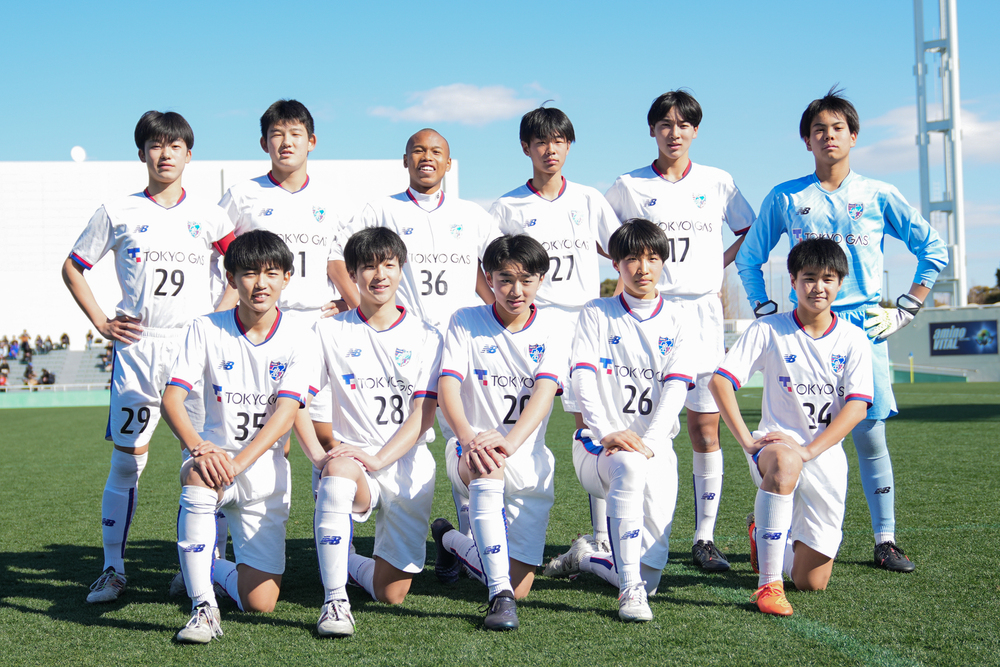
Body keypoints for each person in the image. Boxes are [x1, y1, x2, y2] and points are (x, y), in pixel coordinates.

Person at [735, 88, 948, 572]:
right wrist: (765, 308)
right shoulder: (787, 196)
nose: (828, 136)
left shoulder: (879, 194)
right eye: (818, 130)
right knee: (794, 437)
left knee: (870, 435)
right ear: (806, 140)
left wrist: (907, 307)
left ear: (853, 136)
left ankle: (885, 540)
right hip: (801, 330)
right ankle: (775, 529)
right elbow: (750, 258)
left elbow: (933, 249)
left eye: (837, 128)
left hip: (862, 330)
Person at [61, 110, 235, 603]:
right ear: (142, 153)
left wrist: (218, 317)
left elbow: (241, 265)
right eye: (156, 146)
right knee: (126, 462)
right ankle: (113, 569)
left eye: (175, 146)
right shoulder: (117, 211)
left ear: (188, 154)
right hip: (138, 349)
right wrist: (102, 321)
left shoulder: (211, 216)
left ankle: (201, 567)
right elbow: (73, 267)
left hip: (194, 348)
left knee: (205, 458)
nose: (165, 154)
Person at [604, 90, 756, 572]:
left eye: (684, 124)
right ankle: (624, 531)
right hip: (652, 314)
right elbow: (606, 239)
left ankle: (704, 537)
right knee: (642, 424)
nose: (675, 133)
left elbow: (748, 230)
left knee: (704, 427)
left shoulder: (717, 181)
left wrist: (717, 265)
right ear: (652, 130)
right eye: (665, 124)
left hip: (704, 314)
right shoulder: (629, 185)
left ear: (695, 130)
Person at [163, 229, 314, 644]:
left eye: (271, 273)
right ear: (231, 279)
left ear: (287, 277)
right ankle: (203, 607)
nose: (260, 283)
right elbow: (172, 399)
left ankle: (205, 565)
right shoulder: (205, 327)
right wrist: (198, 447)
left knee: (260, 602)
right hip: (215, 459)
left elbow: (286, 412)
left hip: (263, 469)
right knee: (198, 475)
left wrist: (238, 463)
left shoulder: (302, 333)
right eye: (248, 273)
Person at [710, 238, 873, 615]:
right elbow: (721, 381)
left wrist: (810, 450)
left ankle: (763, 536)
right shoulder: (768, 329)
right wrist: (748, 442)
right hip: (776, 449)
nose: (818, 287)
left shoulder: (853, 339)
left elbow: (857, 407)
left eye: (828, 279)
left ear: (840, 283)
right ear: (793, 281)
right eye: (809, 278)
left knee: (811, 582)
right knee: (785, 463)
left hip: (823, 456)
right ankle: (768, 585)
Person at [293, 227, 442, 637]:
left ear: (401, 268)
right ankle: (335, 600)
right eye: (368, 266)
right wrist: (318, 458)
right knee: (338, 472)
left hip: (407, 463)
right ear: (353, 274)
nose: (379, 275)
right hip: (353, 461)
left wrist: (379, 459)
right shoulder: (328, 330)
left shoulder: (428, 335)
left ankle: (345, 558)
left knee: (391, 593)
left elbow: (423, 414)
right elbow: (295, 402)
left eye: (388, 265)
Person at [544, 219, 694, 623]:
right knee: (626, 463)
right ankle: (629, 591)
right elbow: (583, 378)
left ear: (663, 262)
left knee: (652, 577)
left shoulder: (679, 318)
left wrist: (652, 443)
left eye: (652, 258)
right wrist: (607, 430)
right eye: (631, 259)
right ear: (616, 264)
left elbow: (676, 389)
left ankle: (587, 557)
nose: (642, 268)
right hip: (599, 447)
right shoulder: (597, 312)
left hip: (654, 449)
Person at [215, 98, 343, 556]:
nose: (285, 143)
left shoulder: (331, 200)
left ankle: (331, 549)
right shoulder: (242, 196)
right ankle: (220, 550)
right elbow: (222, 260)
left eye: (295, 134)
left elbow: (337, 262)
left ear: (312, 141)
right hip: (256, 328)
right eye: (276, 134)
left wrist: (350, 305)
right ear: (264, 142)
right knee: (255, 437)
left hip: (315, 327)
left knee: (323, 437)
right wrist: (218, 318)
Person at [489, 106, 621, 550]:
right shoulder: (507, 206)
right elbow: (489, 269)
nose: (551, 149)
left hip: (583, 325)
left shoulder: (588, 199)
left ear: (569, 145)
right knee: (523, 424)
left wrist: (614, 303)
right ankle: (495, 532)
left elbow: (621, 252)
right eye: (541, 141)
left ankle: (602, 538)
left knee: (593, 424)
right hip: (530, 327)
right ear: (525, 147)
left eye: (559, 140)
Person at [431, 234, 566, 631]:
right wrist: (467, 438)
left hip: (526, 455)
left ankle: (449, 539)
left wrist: (508, 443)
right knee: (488, 464)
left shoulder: (554, 327)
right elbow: (448, 386)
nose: (515, 290)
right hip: (471, 451)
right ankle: (499, 597)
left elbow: (544, 393)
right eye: (505, 279)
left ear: (541, 279)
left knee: (522, 584)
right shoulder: (464, 320)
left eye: (526, 279)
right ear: (488, 278)